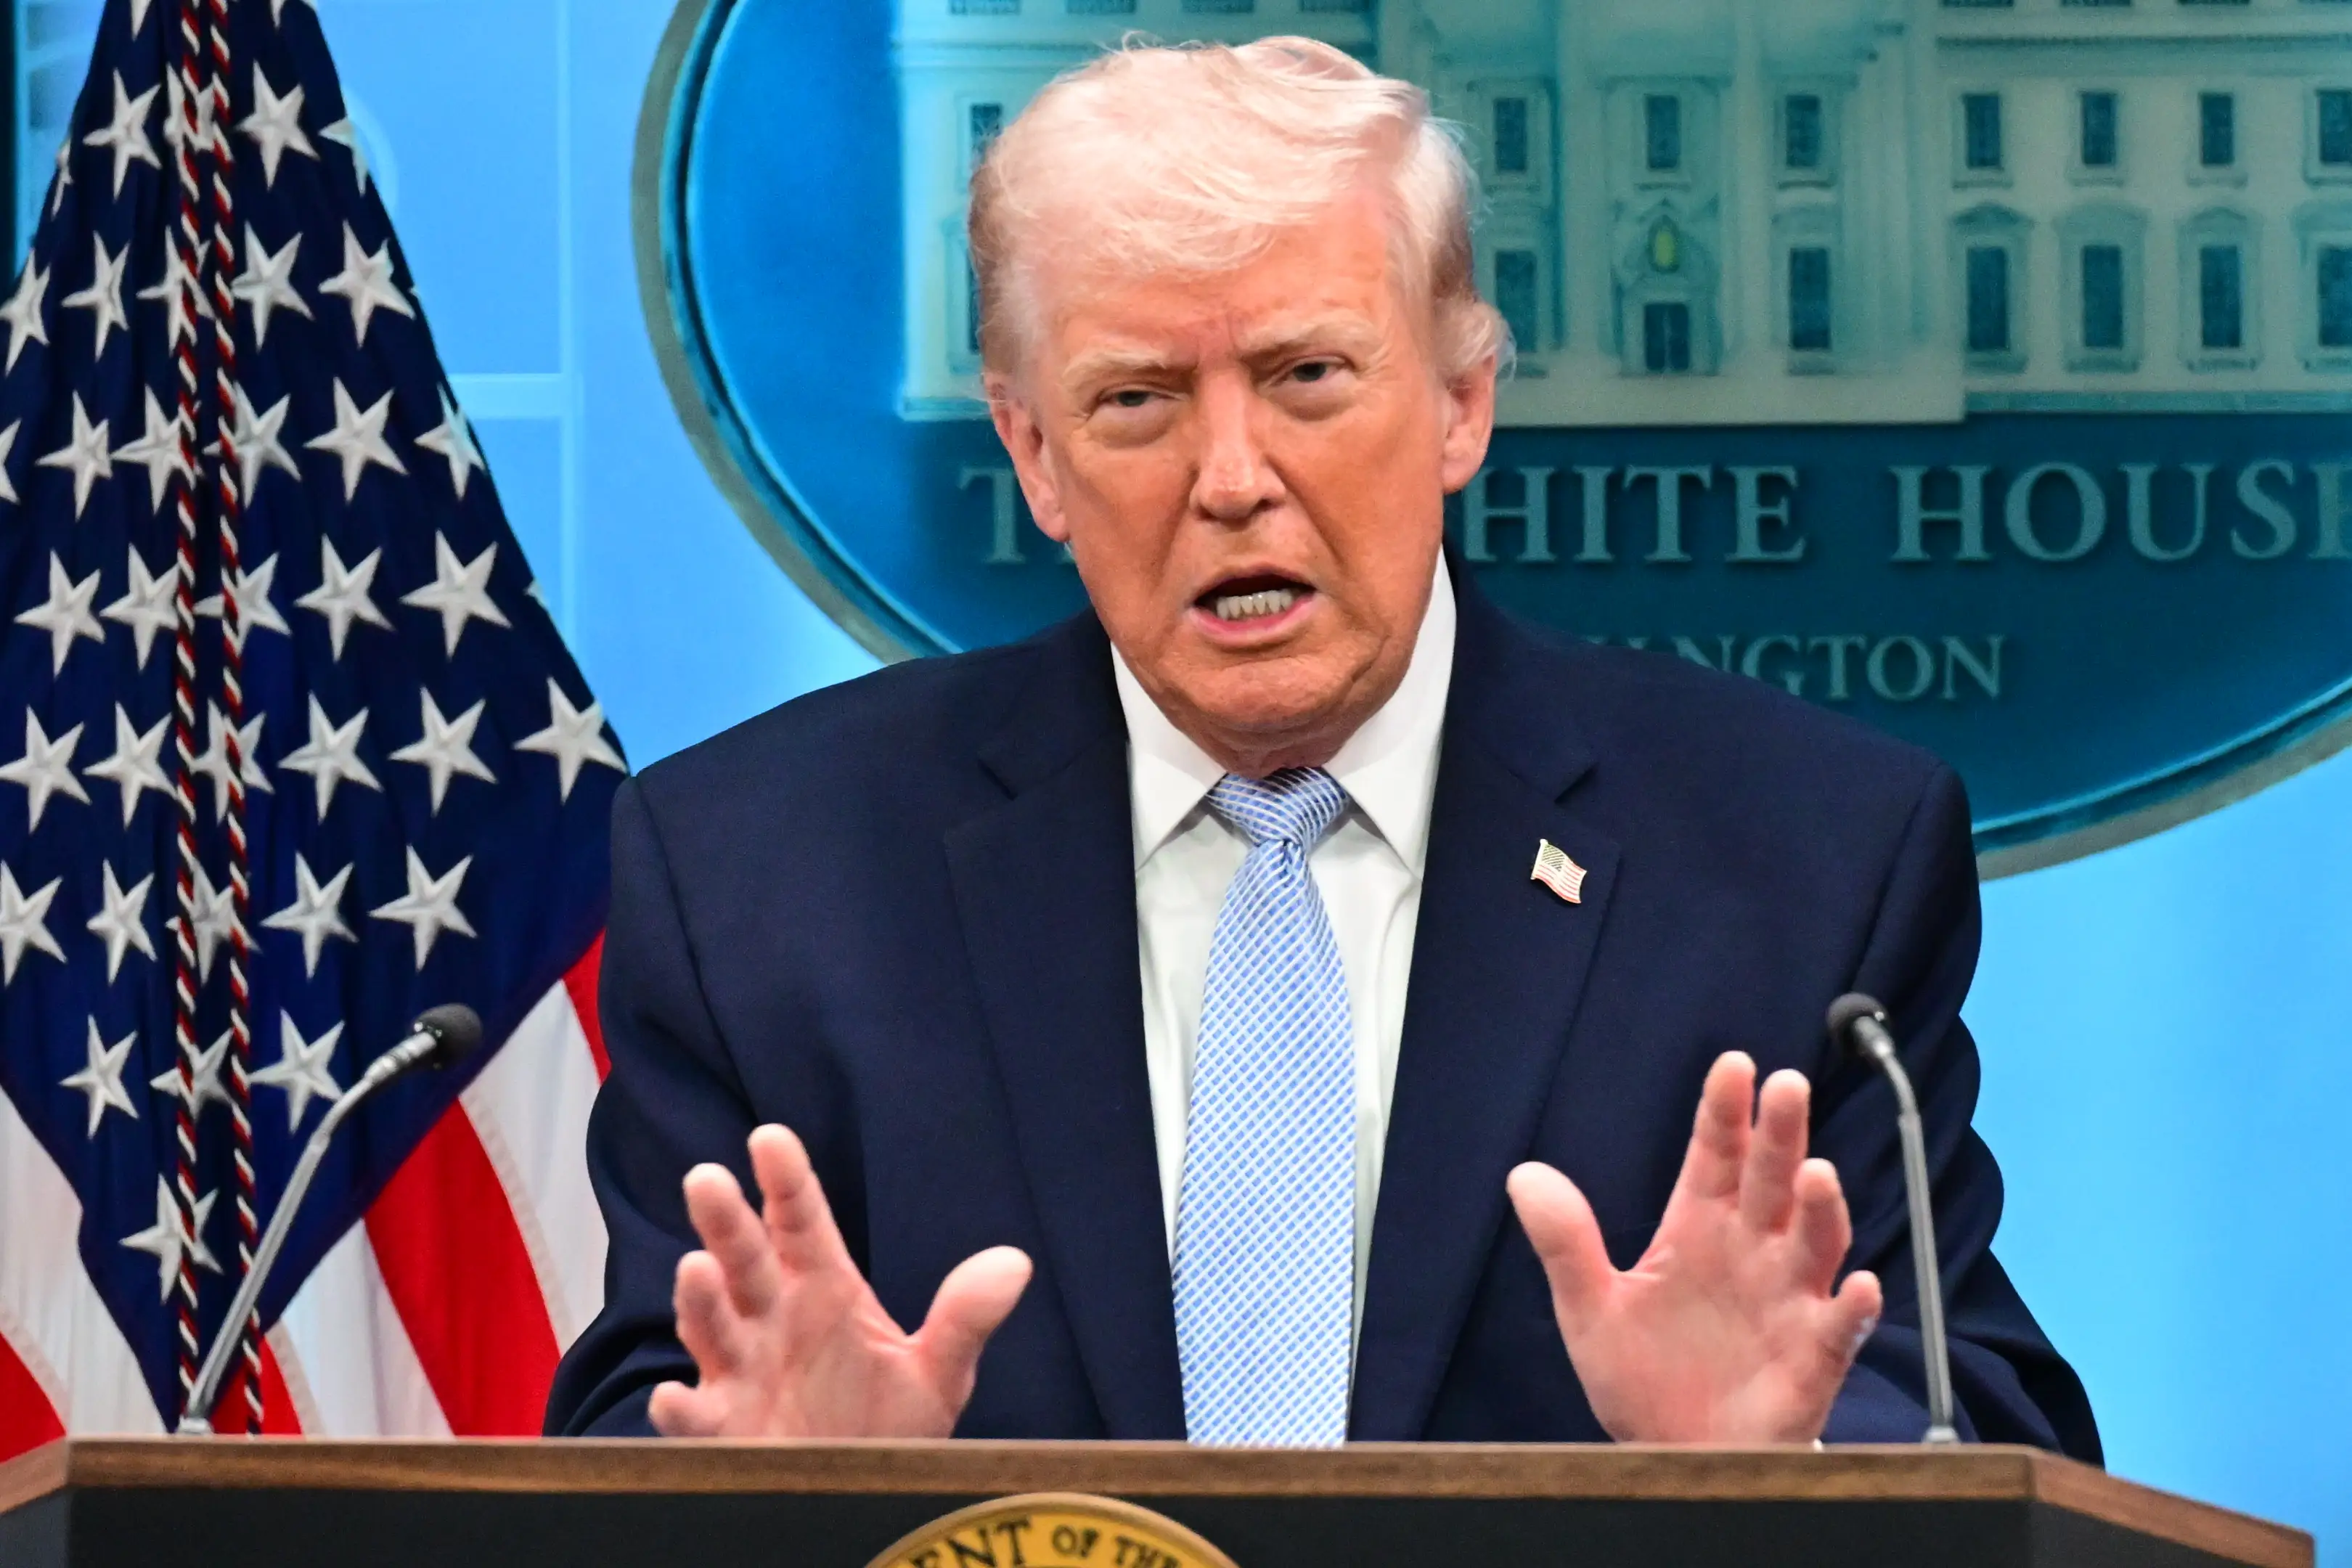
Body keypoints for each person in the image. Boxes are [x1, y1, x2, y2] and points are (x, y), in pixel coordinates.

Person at [545, 38, 2096, 1455]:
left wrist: (1786, 1463)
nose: (1232, 477)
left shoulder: (1802, 859)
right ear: (1034, 455)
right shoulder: (760, 882)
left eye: (1306, 378)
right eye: (1137, 399)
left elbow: (1983, 1422)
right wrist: (766, 1497)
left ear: (1460, 405)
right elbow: (632, 1428)